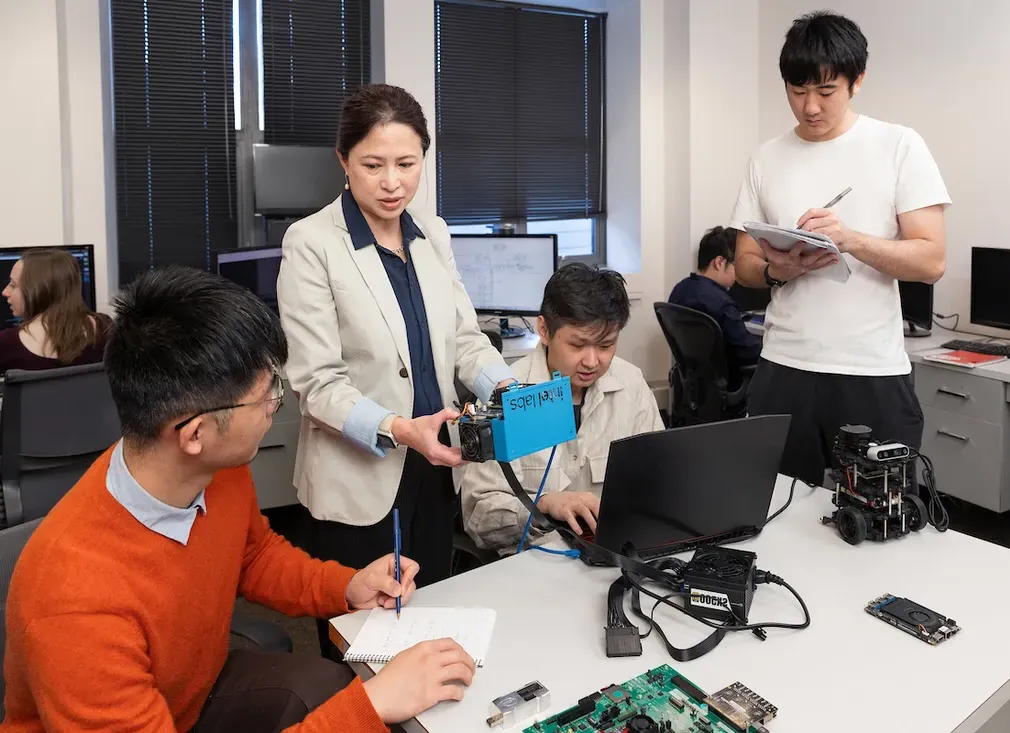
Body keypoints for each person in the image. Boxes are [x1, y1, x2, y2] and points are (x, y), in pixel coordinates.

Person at [1, 267, 476, 733]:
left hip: (191, 694)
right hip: (143, 713)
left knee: (332, 686)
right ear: (194, 433)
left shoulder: (212, 468)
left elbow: (254, 555)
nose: (277, 403)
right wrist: (370, 706)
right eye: (268, 395)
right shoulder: (74, 601)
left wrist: (345, 586)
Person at [277, 83, 514, 657]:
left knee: (426, 621)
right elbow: (317, 383)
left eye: (407, 164)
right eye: (373, 165)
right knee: (362, 644)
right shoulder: (311, 243)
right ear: (343, 161)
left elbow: (463, 339)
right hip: (359, 476)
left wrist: (509, 386)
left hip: (434, 470)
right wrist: (396, 427)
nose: (392, 182)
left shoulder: (432, 231)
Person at [730, 11, 950, 485]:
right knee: (775, 511)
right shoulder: (765, 157)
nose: (810, 107)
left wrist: (850, 240)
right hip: (783, 365)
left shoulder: (899, 146)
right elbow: (745, 264)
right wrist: (777, 271)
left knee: (882, 513)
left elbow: (932, 260)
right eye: (797, 90)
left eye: (826, 92)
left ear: (857, 82)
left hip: (869, 369)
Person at [461, 264, 664, 554]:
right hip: (536, 562)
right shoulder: (507, 395)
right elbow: (478, 515)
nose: (592, 361)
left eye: (606, 345)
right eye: (578, 345)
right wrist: (541, 506)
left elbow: (657, 483)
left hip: (613, 555)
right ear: (544, 330)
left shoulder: (630, 383)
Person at [669, 226, 762, 389]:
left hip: (694, 387)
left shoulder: (679, 290)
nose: (740, 272)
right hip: (729, 385)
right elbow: (749, 354)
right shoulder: (722, 304)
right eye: (736, 264)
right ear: (719, 262)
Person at [0, 249, 111, 373]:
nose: (5, 292)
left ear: (38, 290)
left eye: (13, 285)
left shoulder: (7, 344)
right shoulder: (105, 328)